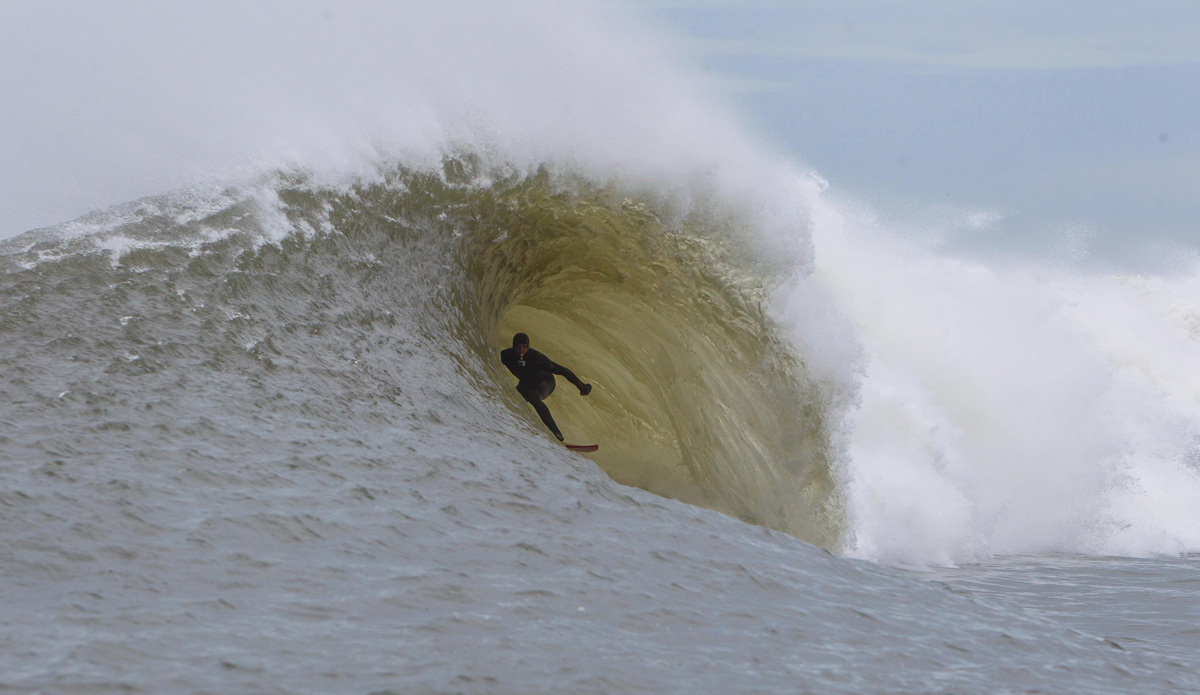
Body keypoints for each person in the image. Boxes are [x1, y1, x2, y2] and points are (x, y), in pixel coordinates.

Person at [500, 332, 592, 441]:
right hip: (526, 383)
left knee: (533, 397)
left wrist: (582, 386)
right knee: (513, 397)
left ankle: (556, 433)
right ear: (513, 346)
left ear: (528, 347)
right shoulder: (506, 355)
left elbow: (563, 371)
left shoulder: (536, 357)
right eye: (518, 346)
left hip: (546, 382)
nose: (521, 349)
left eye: (524, 346)